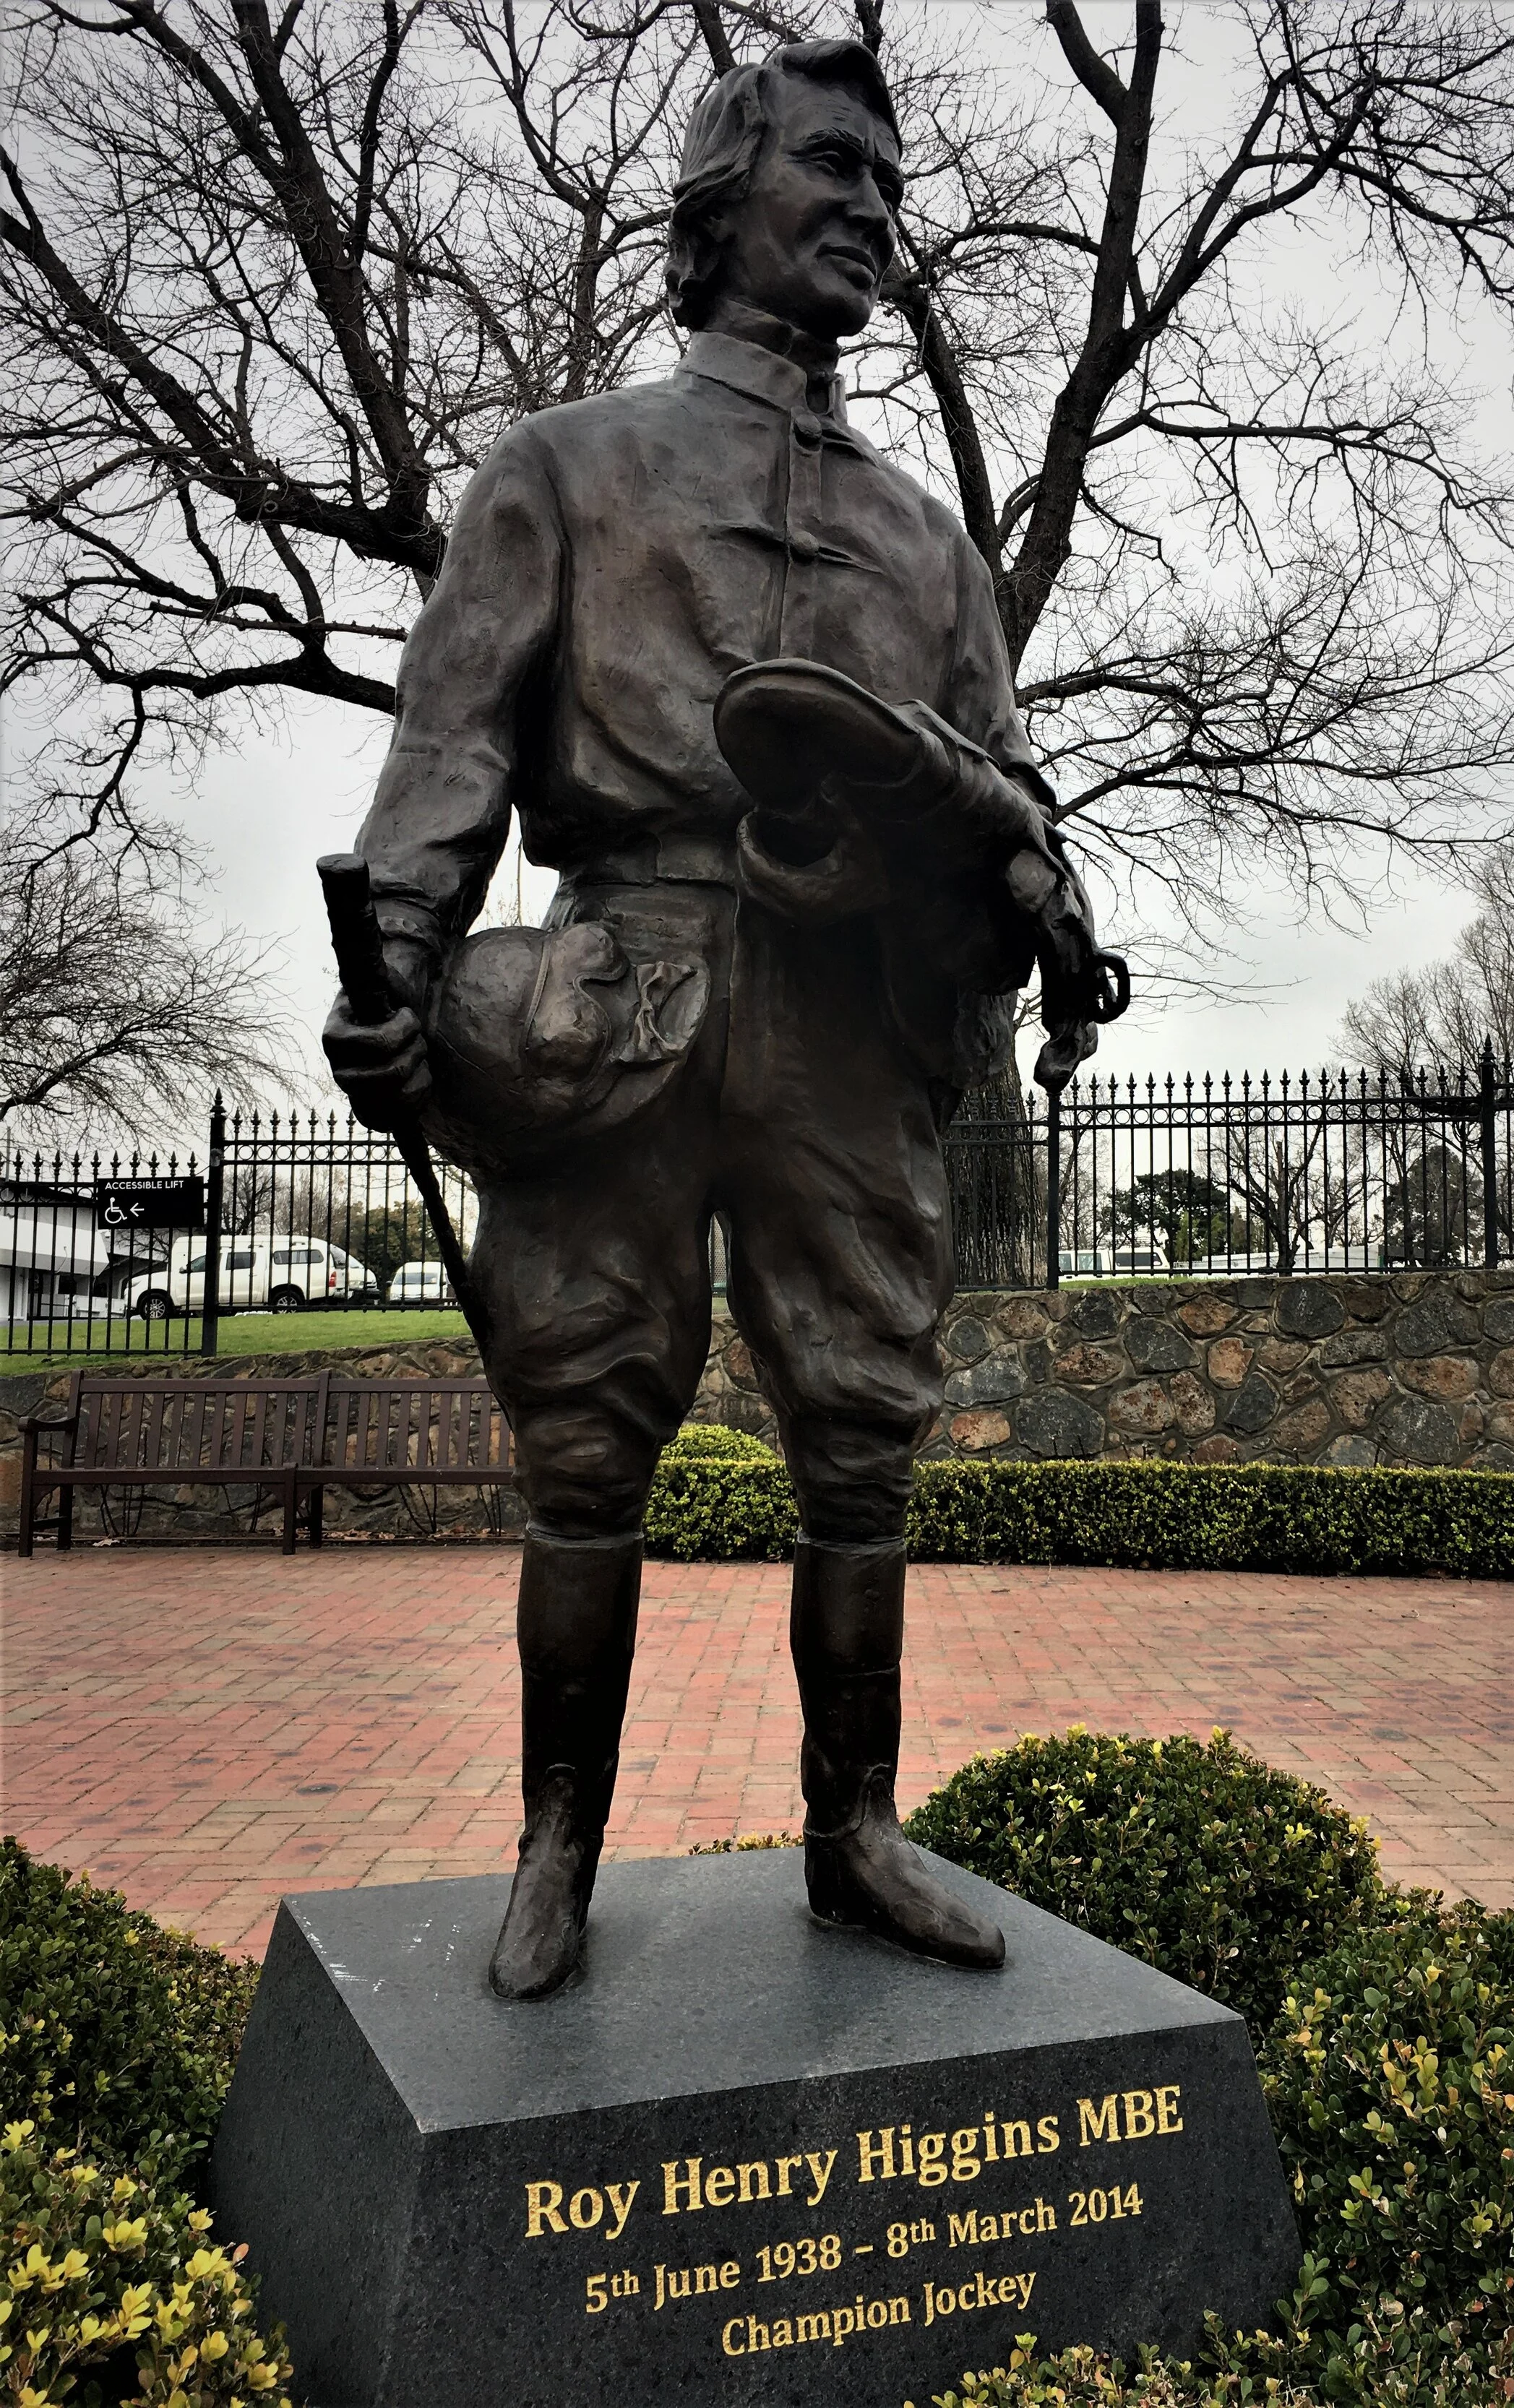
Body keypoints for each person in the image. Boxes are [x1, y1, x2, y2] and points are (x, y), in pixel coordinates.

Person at [323, 38, 1117, 2002]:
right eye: (831, 169)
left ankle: (852, 1832)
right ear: (715, 204)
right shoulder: (565, 469)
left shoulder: (928, 542)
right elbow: (446, 758)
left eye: (888, 184)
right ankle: (555, 1842)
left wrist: (1044, 896)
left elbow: (1011, 792)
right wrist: (400, 967)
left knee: (863, 1434)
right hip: (615, 1000)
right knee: (584, 1435)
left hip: (850, 1026)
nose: (870, 208)